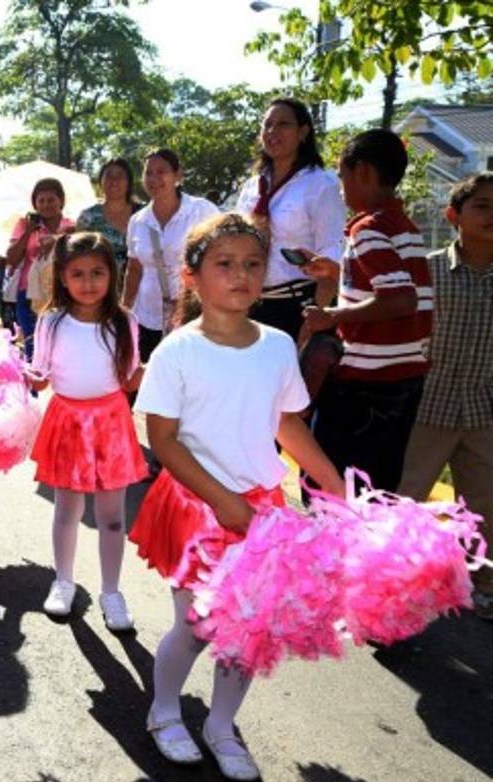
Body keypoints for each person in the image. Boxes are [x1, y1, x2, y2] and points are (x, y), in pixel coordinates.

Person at [128, 213, 343, 781]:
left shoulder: (275, 345)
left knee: (250, 625)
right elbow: (163, 440)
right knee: (198, 624)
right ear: (193, 276)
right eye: (224, 264)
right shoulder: (178, 350)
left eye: (252, 264)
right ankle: (165, 709)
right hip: (199, 505)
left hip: (262, 508)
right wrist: (223, 499)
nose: (241, 275)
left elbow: (287, 423)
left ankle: (221, 725)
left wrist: (331, 479)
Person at [299, 129, 432, 492]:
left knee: (330, 486)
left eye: (342, 175)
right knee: (377, 492)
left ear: (364, 174)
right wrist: (340, 274)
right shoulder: (404, 226)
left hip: (365, 387)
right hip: (404, 380)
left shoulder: (368, 229)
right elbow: (392, 285)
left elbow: (400, 298)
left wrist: (332, 317)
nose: (341, 187)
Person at [27, 232, 146, 624]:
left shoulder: (124, 321)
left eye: (98, 272)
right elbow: (41, 374)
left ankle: (112, 593)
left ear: (113, 274)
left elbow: (130, 379)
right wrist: (22, 373)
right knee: (67, 510)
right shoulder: (51, 321)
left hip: (111, 422)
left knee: (112, 516)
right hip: (68, 422)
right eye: (77, 273)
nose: (88, 282)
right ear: (62, 276)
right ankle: (63, 581)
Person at [397, 172, 493, 619]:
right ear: (454, 216)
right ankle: (396, 584)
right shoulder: (427, 270)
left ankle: (480, 582)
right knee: (408, 498)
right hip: (427, 406)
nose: (492, 216)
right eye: (482, 206)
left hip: (483, 410)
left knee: (484, 503)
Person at [235, 97, 346, 338]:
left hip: (298, 306)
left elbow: (331, 252)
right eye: (267, 125)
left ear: (303, 132)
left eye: (283, 124)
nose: (272, 131)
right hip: (250, 305)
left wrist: (314, 318)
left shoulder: (321, 184)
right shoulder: (252, 186)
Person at [124, 149, 220, 361]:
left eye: (162, 171)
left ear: (178, 175)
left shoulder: (201, 210)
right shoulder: (137, 221)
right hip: (147, 316)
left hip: (193, 314)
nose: (154, 179)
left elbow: (223, 256)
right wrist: (124, 311)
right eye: (148, 173)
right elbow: (134, 269)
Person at [6, 177, 77, 359]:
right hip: (29, 294)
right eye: (41, 201)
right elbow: (11, 258)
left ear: (61, 200)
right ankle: (33, 387)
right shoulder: (24, 225)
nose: (46, 205)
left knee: (63, 346)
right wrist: (29, 231)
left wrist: (58, 238)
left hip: (62, 293)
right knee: (33, 347)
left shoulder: (72, 227)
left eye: (51, 200)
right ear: (35, 204)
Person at [76, 158, 142, 272]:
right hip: (102, 287)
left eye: (120, 176)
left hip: (145, 286)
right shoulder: (88, 217)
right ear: (101, 181)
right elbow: (78, 255)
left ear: (129, 182)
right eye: (109, 176)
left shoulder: (144, 214)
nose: (114, 180)